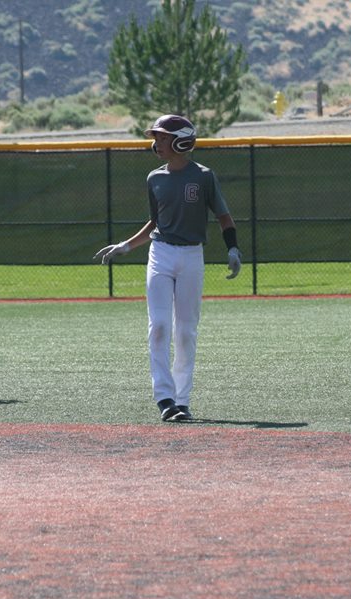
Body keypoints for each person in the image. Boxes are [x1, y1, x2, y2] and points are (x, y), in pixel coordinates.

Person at [94, 114, 241, 422]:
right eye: (156, 137)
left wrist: (233, 248)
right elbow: (155, 223)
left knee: (186, 331)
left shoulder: (203, 176)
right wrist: (126, 245)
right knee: (160, 327)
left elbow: (224, 217)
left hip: (191, 256)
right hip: (160, 254)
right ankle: (165, 399)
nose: (156, 142)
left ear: (181, 141)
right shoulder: (154, 178)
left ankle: (182, 399)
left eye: (162, 137)